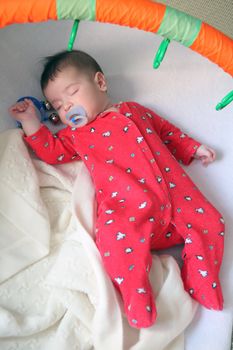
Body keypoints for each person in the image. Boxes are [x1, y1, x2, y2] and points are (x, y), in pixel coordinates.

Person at [9, 50, 225, 329]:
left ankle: (201, 280)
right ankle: (136, 298)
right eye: (58, 105)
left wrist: (192, 147)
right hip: (129, 211)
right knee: (113, 241)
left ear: (100, 82)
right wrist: (30, 123)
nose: (67, 107)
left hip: (178, 196)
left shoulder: (134, 110)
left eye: (72, 92)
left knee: (211, 221)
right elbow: (52, 152)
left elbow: (167, 132)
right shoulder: (76, 135)